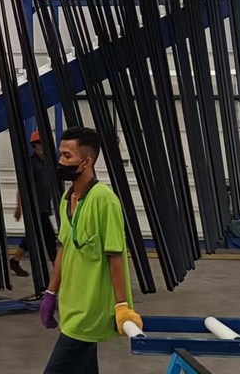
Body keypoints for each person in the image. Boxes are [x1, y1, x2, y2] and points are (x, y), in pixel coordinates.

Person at [40, 127, 141, 374]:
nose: (61, 161)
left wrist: (122, 306)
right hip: (71, 306)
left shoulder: (104, 200)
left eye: (67, 156)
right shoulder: (67, 198)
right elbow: (64, 249)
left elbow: (115, 255)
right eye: (61, 154)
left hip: (90, 311)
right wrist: (51, 293)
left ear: (86, 162)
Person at [10, 130, 58, 279]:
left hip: (44, 206)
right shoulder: (31, 163)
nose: (42, 147)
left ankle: (15, 261)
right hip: (34, 207)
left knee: (33, 236)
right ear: (35, 145)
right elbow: (22, 186)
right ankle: (58, 269)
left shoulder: (48, 163)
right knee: (49, 237)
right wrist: (19, 207)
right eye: (40, 144)